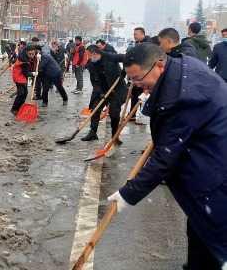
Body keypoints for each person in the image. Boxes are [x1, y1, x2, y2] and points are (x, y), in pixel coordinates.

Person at [108, 43, 227, 270]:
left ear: (159, 65)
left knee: (214, 228)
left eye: (138, 78)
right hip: (210, 153)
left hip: (216, 168)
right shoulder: (181, 67)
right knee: (200, 225)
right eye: (131, 80)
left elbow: (165, 158)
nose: (137, 86)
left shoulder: (180, 99)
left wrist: (128, 193)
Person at [81, 45, 127, 142]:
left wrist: (125, 71)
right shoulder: (91, 63)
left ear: (95, 53)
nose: (88, 58)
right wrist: (100, 92)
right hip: (101, 89)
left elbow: (127, 58)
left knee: (114, 113)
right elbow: (94, 81)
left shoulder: (110, 57)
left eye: (89, 55)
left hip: (117, 88)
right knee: (95, 109)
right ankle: (93, 132)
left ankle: (115, 136)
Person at [128, 27, 151, 120]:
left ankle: (143, 116)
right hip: (136, 74)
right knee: (134, 94)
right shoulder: (137, 44)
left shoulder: (148, 44)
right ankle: (132, 115)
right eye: (134, 34)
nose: (134, 36)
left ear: (142, 34)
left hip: (145, 75)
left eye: (136, 34)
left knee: (143, 95)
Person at [11, 45, 38, 115]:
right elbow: (26, 73)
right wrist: (33, 74)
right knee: (21, 93)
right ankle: (14, 109)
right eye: (30, 54)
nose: (32, 55)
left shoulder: (26, 55)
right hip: (18, 76)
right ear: (26, 52)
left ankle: (20, 107)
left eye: (33, 54)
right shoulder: (24, 60)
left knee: (25, 93)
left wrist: (38, 56)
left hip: (22, 77)